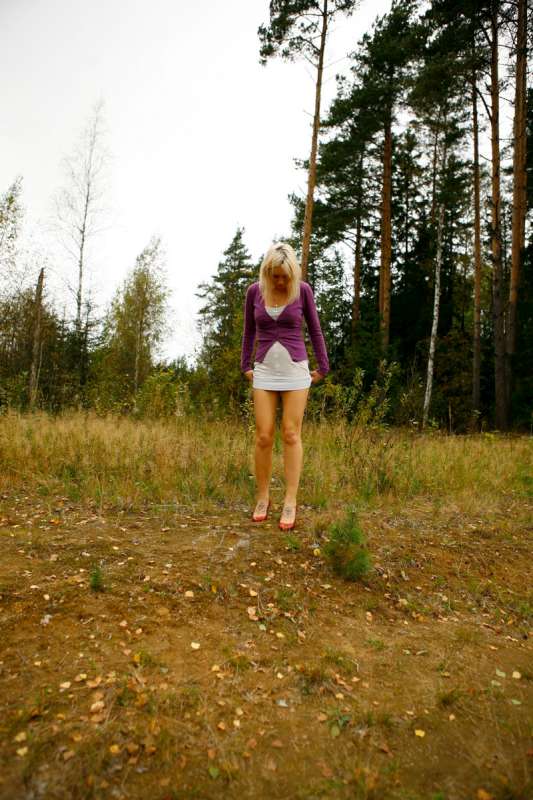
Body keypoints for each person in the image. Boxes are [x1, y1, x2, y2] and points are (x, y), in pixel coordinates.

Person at [240, 242, 329, 531]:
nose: (280, 282)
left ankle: (290, 499)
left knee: (291, 433)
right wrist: (245, 365)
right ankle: (263, 496)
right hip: (265, 371)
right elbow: (248, 331)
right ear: (267, 272)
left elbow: (315, 329)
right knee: (263, 435)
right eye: (275, 276)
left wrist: (323, 366)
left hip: (295, 371)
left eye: (284, 276)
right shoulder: (254, 292)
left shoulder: (302, 290)